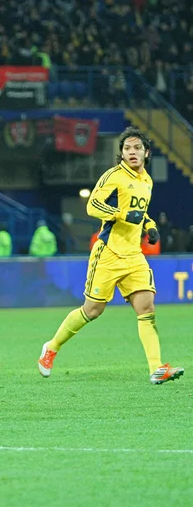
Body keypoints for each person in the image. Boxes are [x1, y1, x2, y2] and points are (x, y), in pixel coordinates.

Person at [38, 127, 184, 384]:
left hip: (133, 255)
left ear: (146, 152)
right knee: (92, 310)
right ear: (122, 153)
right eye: (127, 148)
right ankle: (51, 348)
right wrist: (122, 215)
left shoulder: (146, 181)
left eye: (137, 148)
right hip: (108, 253)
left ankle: (156, 368)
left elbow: (140, 212)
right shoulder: (114, 176)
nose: (132, 152)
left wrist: (149, 225)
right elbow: (92, 204)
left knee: (146, 306)